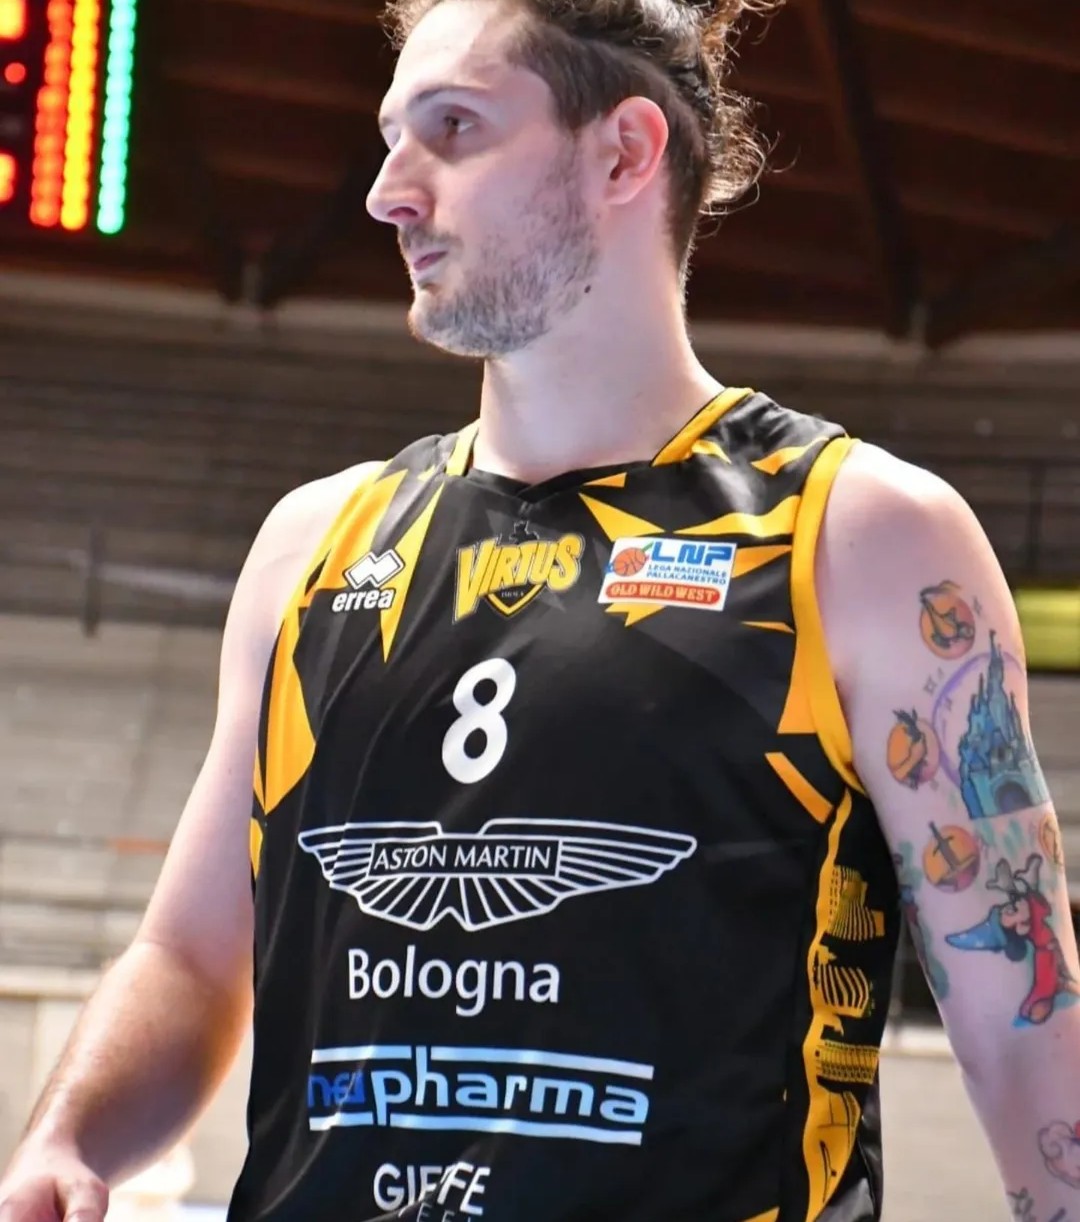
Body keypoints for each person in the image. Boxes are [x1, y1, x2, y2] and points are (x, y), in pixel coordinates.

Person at [2, 0, 1077, 1217]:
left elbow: (1023, 1018)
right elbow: (191, 958)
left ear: (624, 151)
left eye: (454, 128)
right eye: (391, 138)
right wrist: (67, 1139)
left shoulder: (860, 536)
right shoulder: (315, 545)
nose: (389, 193)